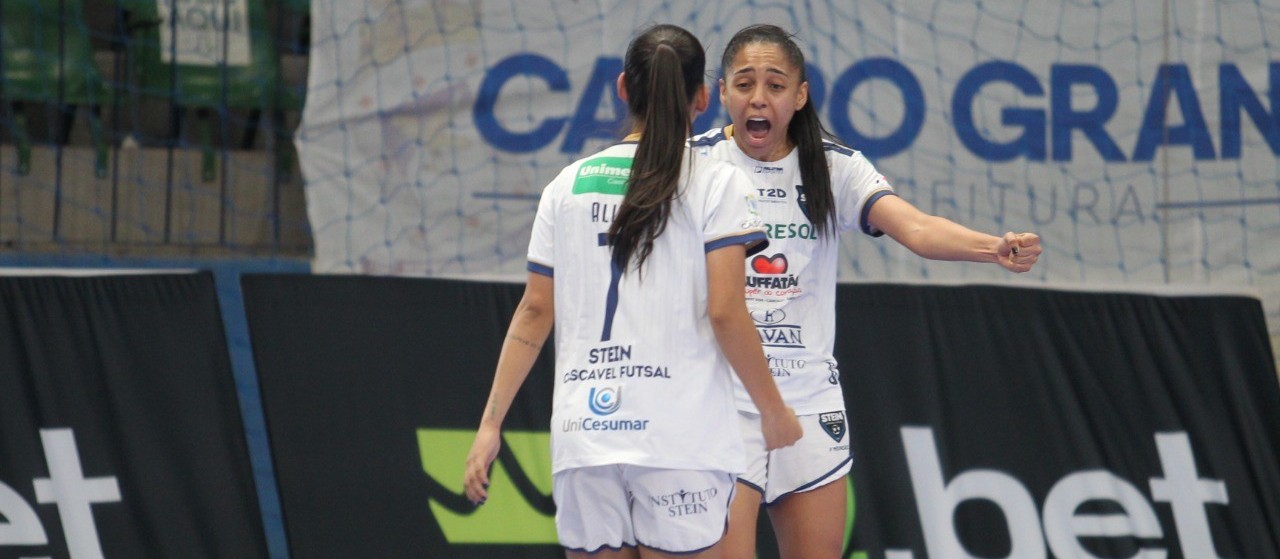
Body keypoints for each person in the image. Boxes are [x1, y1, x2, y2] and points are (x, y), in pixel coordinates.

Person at [689, 24, 1043, 559]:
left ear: (800, 95)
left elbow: (917, 229)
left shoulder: (835, 167)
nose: (758, 98)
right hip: (721, 403)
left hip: (808, 404)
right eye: (744, 84)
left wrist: (991, 247)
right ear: (722, 94)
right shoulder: (693, 164)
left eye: (775, 85)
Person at [463, 24, 803, 559]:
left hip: (585, 438)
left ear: (623, 88)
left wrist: (489, 426)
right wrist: (773, 409)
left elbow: (533, 312)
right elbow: (726, 313)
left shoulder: (567, 185)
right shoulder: (716, 181)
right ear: (702, 97)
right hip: (677, 439)